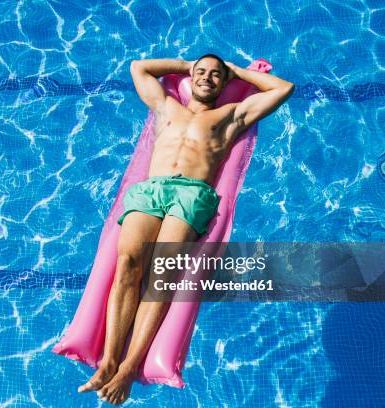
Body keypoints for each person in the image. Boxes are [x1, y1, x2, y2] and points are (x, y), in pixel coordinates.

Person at [77, 54, 294, 405]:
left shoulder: (230, 115)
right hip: (151, 189)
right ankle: (109, 362)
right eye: (202, 73)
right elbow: (138, 68)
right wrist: (188, 64)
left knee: (160, 273)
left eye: (215, 76)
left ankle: (130, 367)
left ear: (224, 84)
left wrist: (238, 72)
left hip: (192, 193)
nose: (207, 78)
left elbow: (284, 88)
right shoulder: (166, 106)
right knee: (128, 263)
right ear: (191, 76)